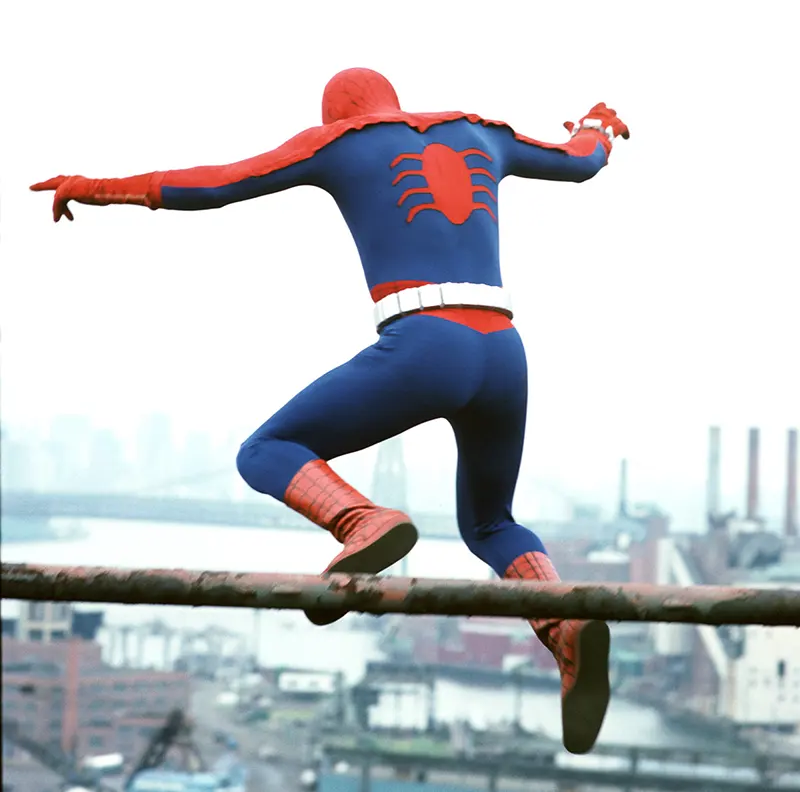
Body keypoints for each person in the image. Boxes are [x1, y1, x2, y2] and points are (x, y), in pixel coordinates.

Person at [32, 67, 629, 755]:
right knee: (492, 522)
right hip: (504, 350)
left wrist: (95, 188)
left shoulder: (342, 142)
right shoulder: (482, 132)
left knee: (266, 451)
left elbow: (217, 183)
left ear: (338, 113)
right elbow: (580, 162)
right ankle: (563, 625)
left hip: (426, 342)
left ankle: (361, 519)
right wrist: (596, 125)